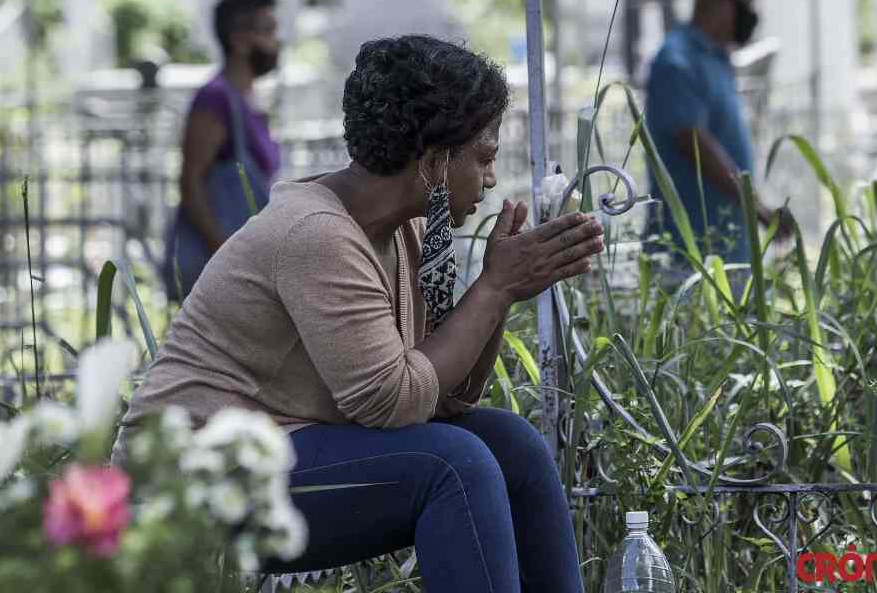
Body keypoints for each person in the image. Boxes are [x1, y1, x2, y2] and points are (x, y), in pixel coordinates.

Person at [120, 35, 603, 592]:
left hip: (283, 449)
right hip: (185, 484)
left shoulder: (408, 229)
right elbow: (393, 403)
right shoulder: (318, 234)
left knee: (512, 445)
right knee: (455, 465)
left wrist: (502, 292)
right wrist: (493, 289)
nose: (491, 179)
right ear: (433, 161)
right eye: (484, 157)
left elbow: (445, 397)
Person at [644, 0, 791, 263]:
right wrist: (759, 211)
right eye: (746, 6)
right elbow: (696, 145)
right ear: (720, 0)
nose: (751, 17)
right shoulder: (677, 62)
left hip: (724, 253)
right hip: (690, 258)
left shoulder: (716, 58)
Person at [162, 0, 282, 299]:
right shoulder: (215, 99)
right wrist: (226, 256)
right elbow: (191, 184)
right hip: (220, 269)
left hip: (244, 263)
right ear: (240, 39)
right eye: (268, 30)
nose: (276, 41)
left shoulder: (247, 101)